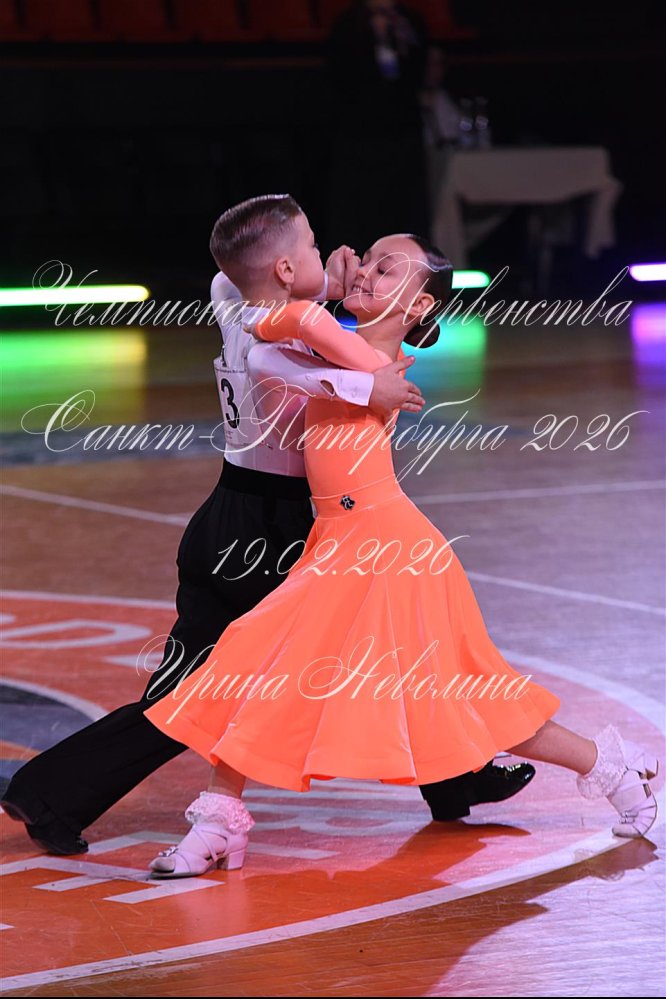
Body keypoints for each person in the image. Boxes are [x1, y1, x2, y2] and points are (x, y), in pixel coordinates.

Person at [0, 194, 532, 856]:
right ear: (283, 268)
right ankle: (51, 790)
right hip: (264, 528)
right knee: (208, 691)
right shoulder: (292, 334)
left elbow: (237, 277)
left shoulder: (235, 300)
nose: (332, 257)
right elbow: (294, 356)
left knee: (373, 639)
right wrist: (363, 374)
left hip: (230, 512)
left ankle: (456, 777)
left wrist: (322, 287)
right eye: (313, 248)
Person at [140, 207, 659, 878]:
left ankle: (609, 765)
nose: (363, 269)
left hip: (390, 548)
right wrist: (334, 328)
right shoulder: (341, 346)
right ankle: (219, 824)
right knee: (263, 665)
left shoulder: (354, 346)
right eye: (367, 258)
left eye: (386, 269)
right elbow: (263, 344)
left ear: (418, 305)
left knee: (458, 693)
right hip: (345, 541)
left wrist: (316, 302)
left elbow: (275, 329)